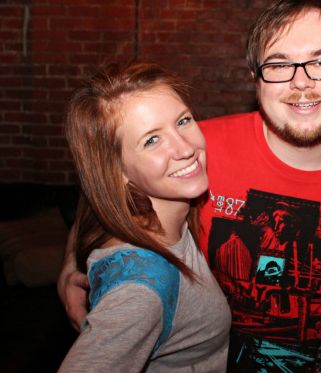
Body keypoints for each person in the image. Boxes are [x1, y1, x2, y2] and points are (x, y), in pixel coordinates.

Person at [59, 0, 321, 373]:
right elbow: (108, 187)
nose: (302, 82)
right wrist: (70, 265)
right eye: (279, 65)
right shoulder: (194, 151)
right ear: (256, 80)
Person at [59, 61, 231, 372]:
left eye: (183, 121)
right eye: (151, 140)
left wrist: (69, 265)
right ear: (118, 170)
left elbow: (93, 199)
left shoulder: (165, 216)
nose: (185, 148)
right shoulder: (140, 286)